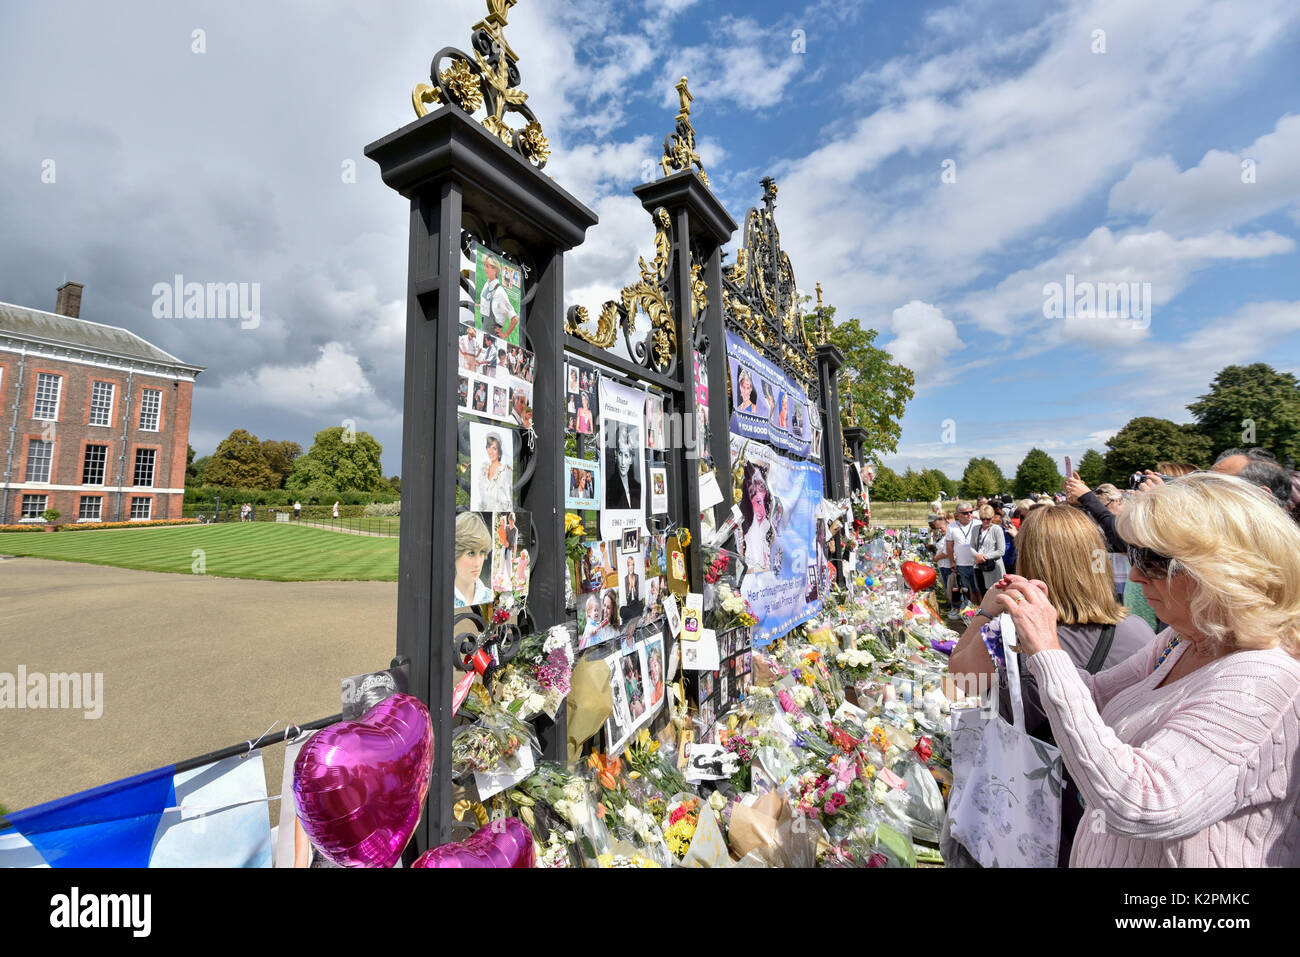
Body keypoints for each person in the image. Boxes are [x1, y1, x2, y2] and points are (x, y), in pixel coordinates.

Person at [991, 472, 1300, 867]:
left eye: (1153, 560)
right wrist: (1026, 634)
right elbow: (1095, 696)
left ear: (1226, 571)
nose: (1134, 574)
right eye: (1133, 555)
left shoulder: (1266, 680)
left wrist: (1048, 650)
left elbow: (1139, 803)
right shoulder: (1181, 639)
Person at [948, 504, 1155, 866]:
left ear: (1028, 561)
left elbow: (958, 681)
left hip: (1027, 804)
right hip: (1106, 809)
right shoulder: (1139, 633)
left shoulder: (1005, 635)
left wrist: (986, 612)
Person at [739, 463, 775, 572]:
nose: (762, 510)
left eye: (763, 502)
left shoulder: (765, 530)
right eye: (758, 502)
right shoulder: (748, 534)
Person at [453, 512, 494, 608]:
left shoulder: (491, 598)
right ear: (455, 553)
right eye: (471, 553)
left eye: (482, 552)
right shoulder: (440, 597)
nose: (478, 563)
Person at [945, 502, 980, 610]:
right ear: (958, 514)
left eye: (971, 512)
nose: (969, 515)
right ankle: (971, 612)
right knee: (967, 590)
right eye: (965, 513)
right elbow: (949, 546)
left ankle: (981, 611)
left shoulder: (978, 524)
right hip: (961, 564)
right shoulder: (952, 526)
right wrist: (952, 562)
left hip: (977, 564)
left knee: (979, 589)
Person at [478, 255, 519, 342]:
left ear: (495, 270)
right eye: (485, 266)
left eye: (488, 266)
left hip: (493, 336)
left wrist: (506, 334)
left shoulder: (500, 292)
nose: (485, 269)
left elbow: (515, 318)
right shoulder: (486, 284)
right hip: (483, 331)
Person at [605, 423, 641, 511]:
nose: (623, 462)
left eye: (626, 455)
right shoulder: (609, 487)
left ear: (631, 459)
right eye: (620, 454)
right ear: (615, 454)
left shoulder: (637, 487)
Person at [970, 504, 1006, 592]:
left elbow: (1001, 551)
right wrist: (977, 556)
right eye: (983, 519)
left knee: (994, 592)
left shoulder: (997, 529)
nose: (985, 521)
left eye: (988, 519)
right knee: (982, 590)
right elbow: (971, 546)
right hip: (979, 566)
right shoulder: (975, 529)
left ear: (992, 517)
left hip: (993, 566)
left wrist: (984, 557)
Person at [477, 432, 513, 512]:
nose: (490, 451)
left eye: (494, 448)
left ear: (499, 451)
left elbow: (509, 503)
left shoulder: (505, 471)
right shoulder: (483, 470)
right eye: (489, 447)